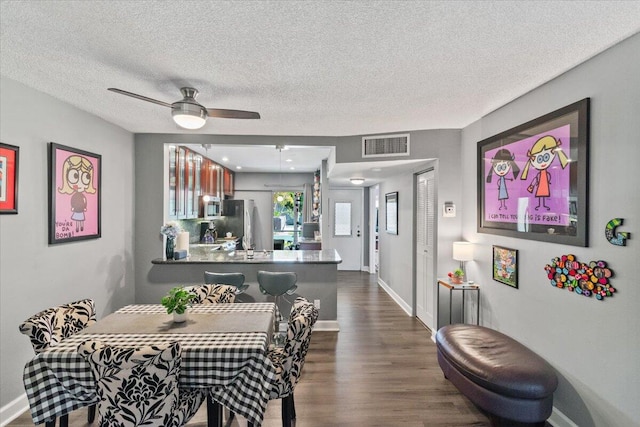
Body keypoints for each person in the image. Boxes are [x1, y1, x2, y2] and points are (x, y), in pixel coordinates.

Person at [520, 135, 569, 211]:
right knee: (540, 195)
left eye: (546, 157)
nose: (543, 162)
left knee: (544, 195)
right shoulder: (539, 174)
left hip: (545, 185)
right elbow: (536, 179)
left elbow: (547, 177)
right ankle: (540, 205)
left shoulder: (549, 173)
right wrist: (532, 185)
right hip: (540, 186)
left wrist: (548, 181)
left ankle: (543, 205)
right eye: (539, 159)